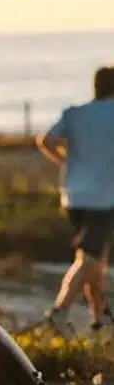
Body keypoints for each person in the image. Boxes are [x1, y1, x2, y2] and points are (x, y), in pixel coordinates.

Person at [36, 66, 114, 335]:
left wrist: (65, 160)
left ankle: (99, 316)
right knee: (91, 258)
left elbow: (46, 140)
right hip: (104, 197)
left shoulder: (75, 113)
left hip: (73, 195)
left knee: (93, 257)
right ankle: (59, 311)